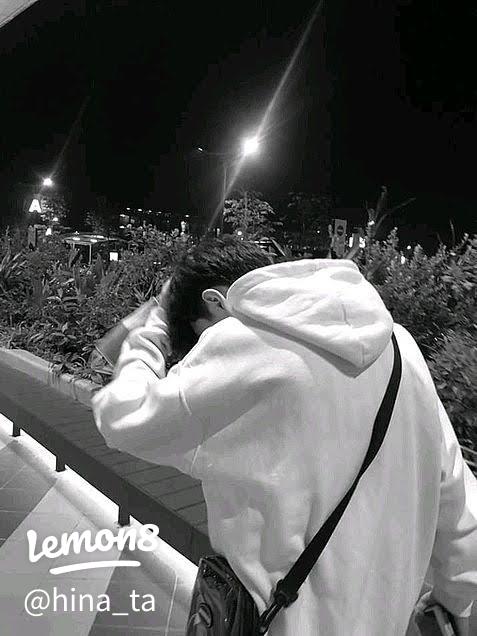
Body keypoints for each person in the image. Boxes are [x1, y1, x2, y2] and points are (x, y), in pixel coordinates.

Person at [92, 236, 477, 635]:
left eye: (200, 333)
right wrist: (454, 599)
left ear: (216, 301)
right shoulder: (402, 349)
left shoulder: (243, 343)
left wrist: (154, 326)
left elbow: (123, 414)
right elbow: (459, 505)